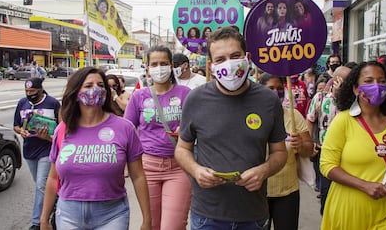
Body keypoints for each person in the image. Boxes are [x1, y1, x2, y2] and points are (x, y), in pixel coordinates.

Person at [174, 26, 288, 228]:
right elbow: (182, 149)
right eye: (220, 59)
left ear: (248, 58)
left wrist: (264, 170)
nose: (229, 63)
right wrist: (196, 170)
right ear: (211, 65)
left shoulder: (269, 100)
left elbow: (280, 152)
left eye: (235, 55)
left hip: (253, 215)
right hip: (207, 216)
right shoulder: (196, 99)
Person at [40, 67, 151, 230]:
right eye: (88, 85)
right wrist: (44, 219)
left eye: (100, 85)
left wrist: (147, 220)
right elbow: (53, 179)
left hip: (112, 215)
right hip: (68, 215)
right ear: (76, 93)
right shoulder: (63, 129)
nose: (96, 89)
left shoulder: (124, 128)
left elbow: (138, 176)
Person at [320, 61, 386, 229]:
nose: (376, 86)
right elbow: (327, 165)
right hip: (351, 210)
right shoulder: (343, 121)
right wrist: (365, 186)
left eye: (382, 81)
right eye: (369, 81)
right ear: (356, 89)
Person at [124, 46, 192, 230]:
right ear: (147, 68)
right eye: (154, 64)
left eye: (163, 63)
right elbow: (126, 131)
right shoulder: (138, 96)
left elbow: (198, 128)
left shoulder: (186, 94)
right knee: (151, 224)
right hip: (146, 168)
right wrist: (123, 165)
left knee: (173, 226)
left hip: (179, 167)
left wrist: (185, 132)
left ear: (171, 66)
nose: (159, 68)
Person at [259, 73, 313, 230]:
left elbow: (309, 150)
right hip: (257, 193)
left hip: (287, 192)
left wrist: (301, 145)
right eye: (270, 88)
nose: (275, 92)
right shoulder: (250, 116)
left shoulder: (294, 116)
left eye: (279, 88)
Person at [13, 78, 60, 230]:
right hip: (29, 150)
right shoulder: (22, 103)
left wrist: (48, 136)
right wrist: (21, 131)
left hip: (46, 150)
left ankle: (37, 222)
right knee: (42, 185)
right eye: (27, 91)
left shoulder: (52, 103)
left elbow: (61, 129)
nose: (29, 94)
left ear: (40, 90)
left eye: (32, 91)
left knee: (41, 184)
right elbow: (16, 125)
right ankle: (54, 200)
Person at [306, 65, 351, 214]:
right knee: (326, 190)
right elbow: (311, 119)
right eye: (347, 81)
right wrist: (311, 143)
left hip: (347, 153)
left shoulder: (355, 101)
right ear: (336, 80)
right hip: (324, 152)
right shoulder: (320, 97)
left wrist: (341, 97)